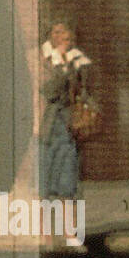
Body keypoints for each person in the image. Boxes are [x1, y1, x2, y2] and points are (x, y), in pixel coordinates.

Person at [38, 20, 93, 200]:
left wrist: (77, 69)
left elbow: (83, 92)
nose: (62, 37)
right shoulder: (42, 59)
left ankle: (68, 226)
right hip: (47, 126)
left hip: (68, 126)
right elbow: (49, 90)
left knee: (67, 186)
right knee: (43, 185)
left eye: (65, 33)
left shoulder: (76, 59)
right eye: (57, 32)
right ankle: (43, 226)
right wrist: (61, 65)